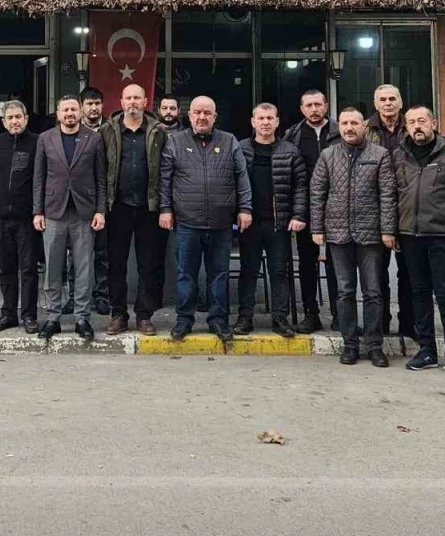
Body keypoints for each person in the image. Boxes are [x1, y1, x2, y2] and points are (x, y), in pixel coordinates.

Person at [160, 95, 252, 344]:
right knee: (185, 275)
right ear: (189, 115)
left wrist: (245, 208)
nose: (202, 117)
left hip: (221, 223)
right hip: (186, 222)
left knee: (219, 274)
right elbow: (165, 179)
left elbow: (242, 177)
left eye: (207, 113)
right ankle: (184, 320)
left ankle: (218, 320)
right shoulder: (175, 142)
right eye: (197, 112)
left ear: (214, 117)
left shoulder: (229, 141)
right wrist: (165, 209)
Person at [394, 105, 445, 377]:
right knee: (419, 293)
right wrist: (392, 230)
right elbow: (393, 194)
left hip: (442, 234)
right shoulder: (399, 155)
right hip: (410, 234)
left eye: (422, 120)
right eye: (411, 122)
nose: (417, 126)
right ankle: (427, 350)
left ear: (434, 122)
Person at [311, 107, 397, 367]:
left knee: (373, 292)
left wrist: (388, 230)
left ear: (363, 126)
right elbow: (317, 193)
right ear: (339, 127)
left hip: (371, 235)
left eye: (354, 123)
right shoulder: (328, 155)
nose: (349, 128)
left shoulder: (379, 154)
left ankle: (374, 345)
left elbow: (388, 194)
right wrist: (317, 229)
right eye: (345, 123)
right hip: (338, 235)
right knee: (345, 291)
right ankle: (349, 344)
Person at [34, 94, 106, 340]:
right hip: (54, 211)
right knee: (53, 267)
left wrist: (100, 210)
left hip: (84, 212)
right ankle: (53, 317)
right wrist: (37, 211)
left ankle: (82, 318)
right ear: (58, 113)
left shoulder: (94, 138)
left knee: (83, 268)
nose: (70, 114)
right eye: (65, 110)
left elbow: (100, 178)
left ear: (80, 112)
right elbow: (39, 177)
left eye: (74, 109)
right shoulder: (45, 138)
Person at [100, 83, 168, 336]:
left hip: (149, 208)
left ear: (145, 101)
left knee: (148, 264)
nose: (132, 102)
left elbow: (167, 170)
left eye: (137, 98)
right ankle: (118, 314)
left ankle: (144, 315)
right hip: (117, 207)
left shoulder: (158, 132)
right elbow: (100, 169)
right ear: (121, 101)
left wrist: (165, 206)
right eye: (128, 98)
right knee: (116, 264)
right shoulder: (107, 131)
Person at [235, 103, 307, 336]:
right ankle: (245, 318)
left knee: (279, 272)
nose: (265, 122)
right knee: (248, 271)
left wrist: (298, 215)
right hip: (249, 222)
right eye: (261, 118)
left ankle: (279, 318)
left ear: (277, 122)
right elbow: (230, 183)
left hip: (279, 223)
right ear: (253, 122)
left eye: (270, 118)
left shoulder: (290, 151)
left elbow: (300, 187)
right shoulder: (240, 149)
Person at [283, 89, 340, 332]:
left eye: (318, 104)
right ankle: (311, 313)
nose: (314, 109)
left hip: (338, 207)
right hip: (305, 208)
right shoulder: (292, 135)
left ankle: (340, 314)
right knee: (307, 263)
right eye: (309, 105)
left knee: (338, 264)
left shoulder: (340, 131)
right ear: (302, 109)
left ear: (326, 106)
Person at [364, 84, 413, 339]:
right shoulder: (365, 130)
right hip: (375, 209)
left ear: (400, 102)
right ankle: (380, 323)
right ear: (375, 104)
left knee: (409, 272)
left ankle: (409, 324)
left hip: (408, 207)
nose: (388, 103)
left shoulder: (413, 126)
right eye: (382, 99)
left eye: (392, 98)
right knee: (377, 273)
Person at [0, 99, 39, 333]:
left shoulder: (37, 142)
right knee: (6, 268)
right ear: (3, 121)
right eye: (9, 118)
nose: (14, 121)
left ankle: (29, 315)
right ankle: (8, 314)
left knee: (28, 269)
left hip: (26, 217)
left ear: (26, 118)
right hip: (0, 215)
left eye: (18, 117)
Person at [75, 86, 111, 316]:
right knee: (74, 253)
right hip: (76, 200)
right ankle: (74, 296)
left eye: (97, 103)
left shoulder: (110, 130)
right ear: (81, 107)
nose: (94, 107)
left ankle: (101, 296)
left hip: (102, 198)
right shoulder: (70, 129)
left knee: (102, 252)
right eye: (89, 103)